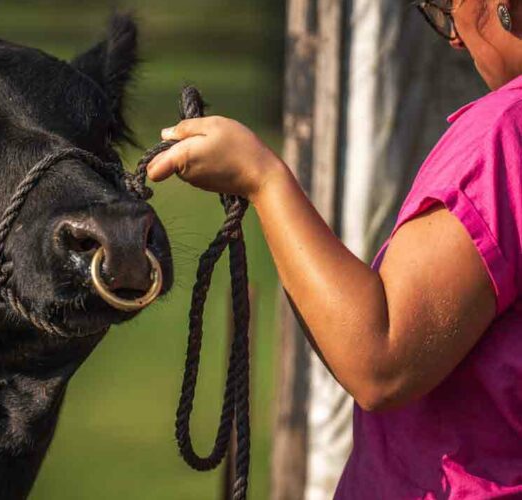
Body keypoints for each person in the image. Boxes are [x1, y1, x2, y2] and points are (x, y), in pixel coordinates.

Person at [146, 0, 522, 497]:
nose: (452, 35)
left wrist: (261, 179)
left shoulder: (505, 133)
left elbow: (380, 356)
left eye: (451, 6)